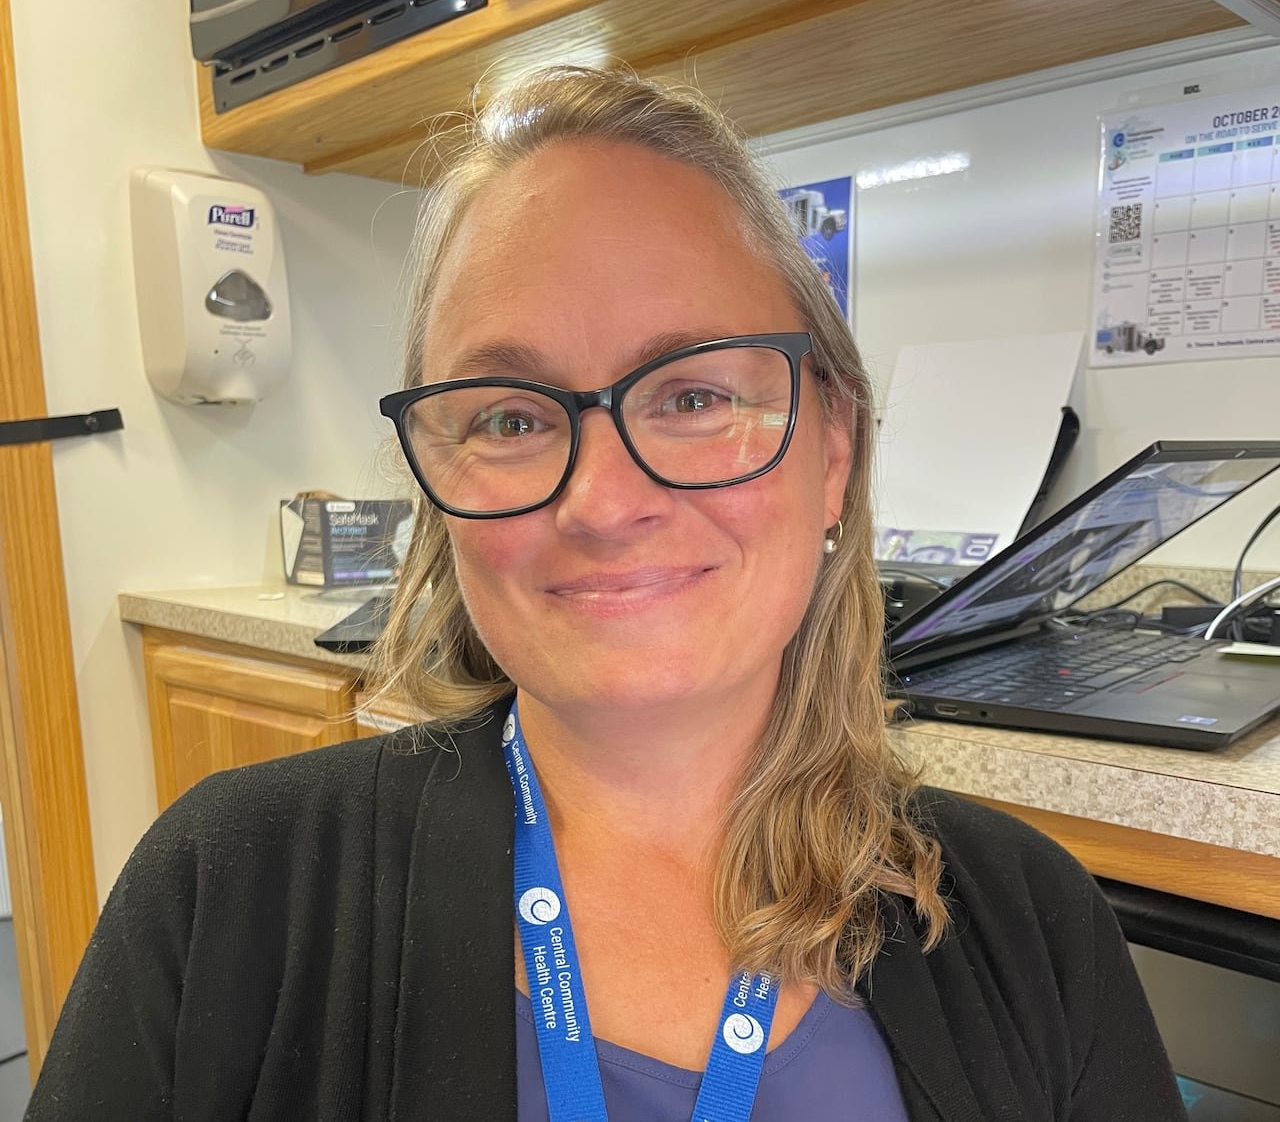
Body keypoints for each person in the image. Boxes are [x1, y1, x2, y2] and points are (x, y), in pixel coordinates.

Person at [27, 65, 1187, 1121]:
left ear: (832, 448)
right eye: (514, 416)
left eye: (688, 395)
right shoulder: (227, 888)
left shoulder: (1031, 921)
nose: (602, 498)